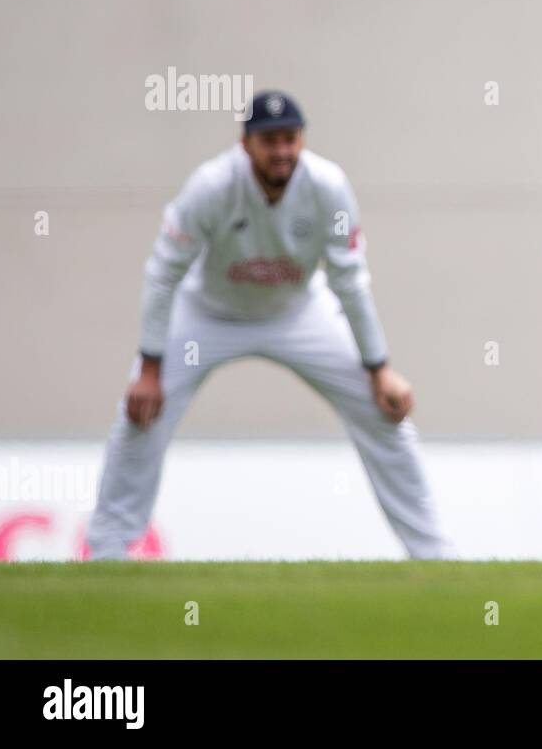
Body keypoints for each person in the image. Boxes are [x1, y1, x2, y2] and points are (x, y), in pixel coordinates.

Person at [87, 91, 447, 560]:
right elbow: (163, 272)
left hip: (299, 312)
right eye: (269, 140)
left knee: (385, 411)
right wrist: (150, 369)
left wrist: (379, 368)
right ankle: (105, 554)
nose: (281, 151)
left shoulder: (328, 185)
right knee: (139, 413)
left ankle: (436, 555)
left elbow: (350, 279)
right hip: (209, 314)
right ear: (245, 144)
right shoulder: (211, 186)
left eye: (290, 138)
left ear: (302, 139)